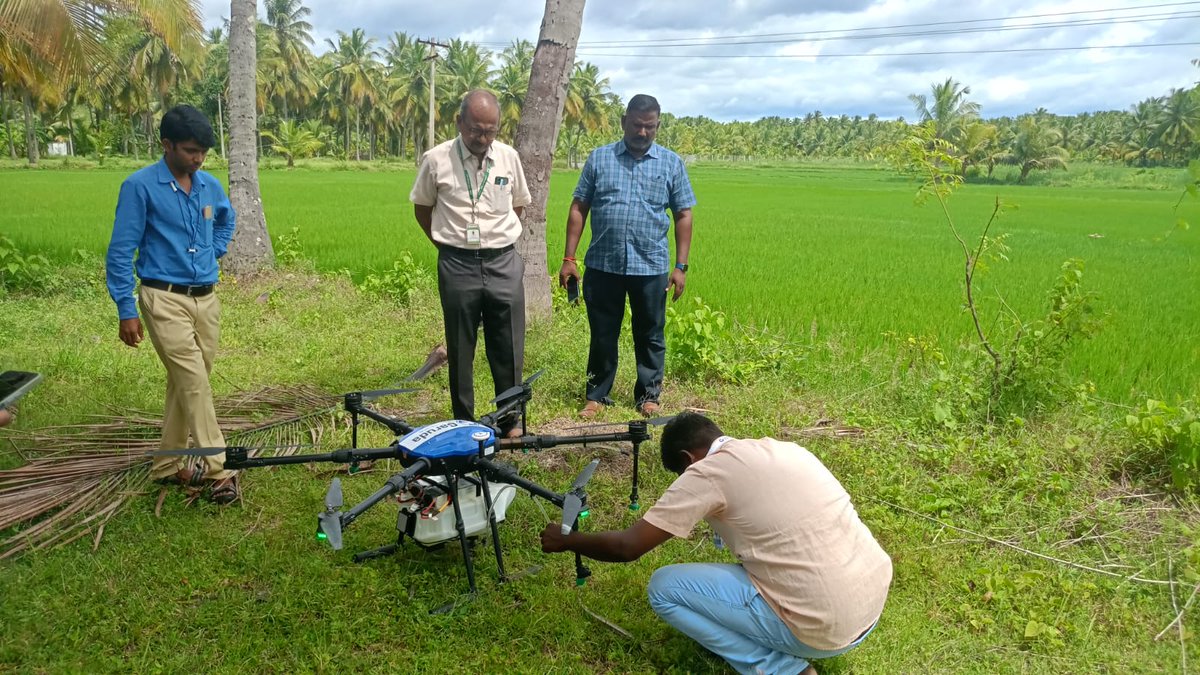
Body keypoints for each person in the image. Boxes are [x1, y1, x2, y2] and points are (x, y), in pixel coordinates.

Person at [540, 412, 892, 675]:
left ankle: (781, 669)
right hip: (871, 605)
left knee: (664, 588)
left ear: (687, 459)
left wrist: (569, 540)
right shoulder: (785, 449)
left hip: (825, 628)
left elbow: (627, 547)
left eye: (680, 475)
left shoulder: (706, 472)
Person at [105, 104, 239, 504]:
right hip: (163, 298)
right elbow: (120, 250)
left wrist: (214, 250)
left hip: (206, 299)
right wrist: (125, 309)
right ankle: (220, 470)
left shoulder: (208, 187)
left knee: (188, 383)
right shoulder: (140, 187)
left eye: (203, 152)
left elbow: (225, 219)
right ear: (166, 145)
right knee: (195, 383)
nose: (197, 159)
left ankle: (166, 465)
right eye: (190, 150)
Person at [558, 94, 696, 419]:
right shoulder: (600, 159)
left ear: (658, 126)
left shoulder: (671, 163)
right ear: (624, 122)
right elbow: (579, 206)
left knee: (650, 332)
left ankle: (649, 396)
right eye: (637, 125)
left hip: (650, 266)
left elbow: (683, 214)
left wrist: (681, 266)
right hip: (603, 264)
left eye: (650, 127)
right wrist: (569, 258)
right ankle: (596, 395)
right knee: (603, 332)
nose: (643, 132)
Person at [410, 89, 532, 437]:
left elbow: (518, 206)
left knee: (508, 344)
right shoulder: (436, 159)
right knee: (461, 347)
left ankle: (510, 420)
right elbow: (422, 209)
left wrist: (495, 239)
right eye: (475, 129)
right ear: (459, 122)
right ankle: (463, 423)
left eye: (490, 130)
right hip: (457, 263)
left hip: (503, 261)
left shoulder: (508, 157)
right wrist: (449, 245)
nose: (482, 138)